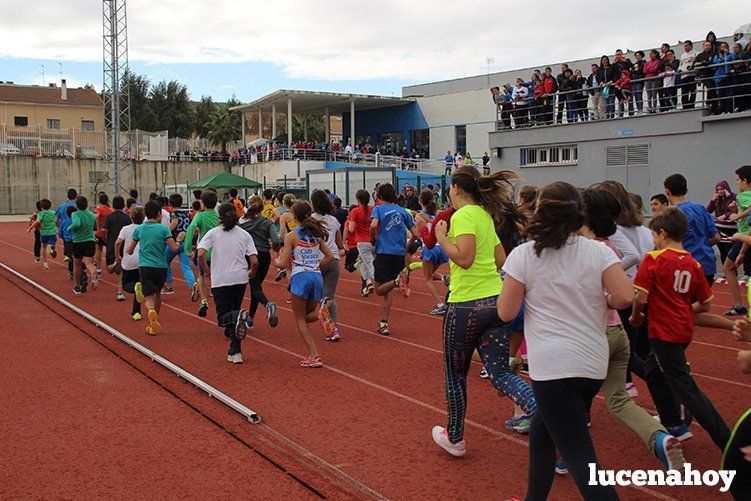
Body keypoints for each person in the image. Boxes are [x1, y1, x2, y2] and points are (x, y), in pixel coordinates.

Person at [498, 181, 632, 500]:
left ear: (540, 212)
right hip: (591, 365)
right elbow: (625, 297)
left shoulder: (525, 255)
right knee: (543, 435)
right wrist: (602, 299)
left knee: (581, 460)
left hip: (553, 369)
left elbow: (506, 312)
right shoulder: (598, 250)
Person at [555, 189, 687, 475]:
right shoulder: (609, 249)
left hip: (591, 336)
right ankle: (658, 436)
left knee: (567, 398)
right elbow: (624, 296)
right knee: (618, 399)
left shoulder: (577, 249)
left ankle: (569, 456)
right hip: (617, 334)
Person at [430, 166, 538, 458]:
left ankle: (455, 438)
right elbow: (501, 258)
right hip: (495, 300)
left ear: (454, 187)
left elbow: (464, 259)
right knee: (500, 371)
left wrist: (441, 237)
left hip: (466, 304)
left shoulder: (463, 215)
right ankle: (542, 412)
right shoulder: (485, 216)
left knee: (455, 375)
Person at [631, 208, 730, 452]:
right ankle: (672, 422)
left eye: (654, 235)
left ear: (662, 233)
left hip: (665, 332)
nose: (652, 240)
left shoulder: (653, 259)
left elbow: (640, 297)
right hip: (683, 329)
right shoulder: (693, 264)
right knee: (653, 371)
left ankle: (727, 440)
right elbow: (705, 304)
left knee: (686, 389)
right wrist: (685, 310)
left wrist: (635, 316)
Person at [274, 201, 335, 367]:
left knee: (299, 318)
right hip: (316, 277)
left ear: (295, 217)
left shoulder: (291, 236)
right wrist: (315, 265)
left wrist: (276, 262)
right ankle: (321, 314)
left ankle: (315, 356)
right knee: (307, 316)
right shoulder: (316, 234)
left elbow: (284, 262)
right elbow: (330, 257)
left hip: (300, 277)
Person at [198, 202, 259, 364]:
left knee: (223, 318)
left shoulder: (213, 233)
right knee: (234, 319)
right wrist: (252, 271)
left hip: (221, 279)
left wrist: (206, 270)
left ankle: (239, 317)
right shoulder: (244, 235)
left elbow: (200, 254)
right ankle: (235, 351)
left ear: (220, 216)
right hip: (240, 279)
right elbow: (254, 260)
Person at [370, 183, 421, 335]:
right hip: (398, 254)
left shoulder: (378, 209)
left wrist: (373, 239)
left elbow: (373, 225)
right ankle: (384, 323)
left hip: (384, 252)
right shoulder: (402, 211)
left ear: (380, 197)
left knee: (379, 290)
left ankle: (398, 281)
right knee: (388, 292)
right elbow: (416, 233)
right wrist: (406, 247)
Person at [127, 201, 183, 336]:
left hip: (145, 266)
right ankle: (153, 321)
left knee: (148, 296)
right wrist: (180, 239)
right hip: (161, 266)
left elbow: (130, 250)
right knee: (157, 293)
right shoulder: (163, 229)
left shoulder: (139, 229)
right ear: (159, 214)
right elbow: (174, 248)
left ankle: (150, 311)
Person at [663, 173, 720, 286]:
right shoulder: (700, 208)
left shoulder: (671, 214)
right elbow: (716, 237)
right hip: (706, 265)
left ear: (667, 191)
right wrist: (701, 243)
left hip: (684, 267)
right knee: (703, 302)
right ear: (686, 190)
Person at [240, 195, 281, 329]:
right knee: (256, 287)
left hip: (249, 256)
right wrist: (275, 248)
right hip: (264, 255)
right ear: (262, 207)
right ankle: (250, 319)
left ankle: (268, 305)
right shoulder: (267, 222)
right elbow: (275, 240)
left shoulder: (241, 222)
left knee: (255, 287)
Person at [311, 189, 344, 342]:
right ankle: (334, 329)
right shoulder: (334, 220)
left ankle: (322, 308)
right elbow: (339, 243)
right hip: (333, 260)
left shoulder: (310, 220)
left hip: (316, 260)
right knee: (330, 296)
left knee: (318, 296)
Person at [412, 190, 450, 315]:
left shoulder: (419, 216)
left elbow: (417, 234)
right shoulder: (438, 214)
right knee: (430, 273)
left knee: (427, 278)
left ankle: (440, 304)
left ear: (420, 201)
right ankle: (444, 278)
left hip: (430, 247)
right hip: (442, 248)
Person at [184, 190, 220, 318]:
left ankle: (204, 300)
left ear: (203, 203)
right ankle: (218, 298)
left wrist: (188, 249)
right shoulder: (218, 215)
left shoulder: (200, 215)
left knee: (202, 275)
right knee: (216, 276)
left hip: (204, 252)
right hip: (217, 252)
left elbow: (191, 228)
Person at [724, 165, 751, 315]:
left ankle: (739, 304)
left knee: (728, 267)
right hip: (745, 235)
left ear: (745, 181)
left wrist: (737, 216)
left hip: (745, 237)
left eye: (738, 180)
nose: (737, 184)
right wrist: (737, 212)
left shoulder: (742, 196)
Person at [114, 205, 145, 321]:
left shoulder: (126, 229)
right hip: (142, 260)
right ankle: (136, 312)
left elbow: (117, 243)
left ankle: (133, 290)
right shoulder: (144, 228)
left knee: (126, 284)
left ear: (131, 217)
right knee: (139, 286)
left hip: (128, 260)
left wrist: (117, 256)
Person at [163, 193, 196, 295]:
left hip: (175, 242)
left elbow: (175, 222)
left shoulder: (174, 214)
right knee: (185, 266)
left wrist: (165, 232)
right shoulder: (187, 214)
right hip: (185, 242)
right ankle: (192, 284)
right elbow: (191, 226)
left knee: (164, 261)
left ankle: (168, 284)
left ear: (170, 203)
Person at [101, 195, 131, 301]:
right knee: (113, 268)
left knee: (119, 269)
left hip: (112, 244)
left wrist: (105, 238)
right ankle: (116, 267)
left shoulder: (109, 217)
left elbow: (103, 230)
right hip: (123, 244)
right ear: (123, 205)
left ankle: (119, 291)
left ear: (113, 205)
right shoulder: (127, 217)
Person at [67, 196, 99, 295]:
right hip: (90, 241)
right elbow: (96, 227)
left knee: (77, 265)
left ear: (76, 205)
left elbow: (76, 224)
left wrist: (69, 229)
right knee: (89, 263)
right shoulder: (91, 215)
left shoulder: (75, 214)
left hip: (78, 242)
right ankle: (94, 276)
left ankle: (77, 286)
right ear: (87, 205)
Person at [349, 189, 375, 296]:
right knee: (362, 262)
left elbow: (351, 228)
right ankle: (368, 282)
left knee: (369, 263)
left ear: (357, 199)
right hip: (374, 241)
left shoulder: (355, 211)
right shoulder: (373, 209)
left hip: (362, 242)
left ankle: (380, 279)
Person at [707, 180, 738, 264]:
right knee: (722, 251)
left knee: (729, 251)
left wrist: (725, 215)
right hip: (719, 229)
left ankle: (731, 271)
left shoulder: (734, 197)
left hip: (730, 229)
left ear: (726, 189)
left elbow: (736, 210)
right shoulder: (718, 200)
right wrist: (712, 200)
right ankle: (726, 271)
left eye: (722, 189)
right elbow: (708, 211)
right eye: (718, 190)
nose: (720, 191)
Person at [55, 188, 77, 279]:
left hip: (65, 231)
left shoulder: (62, 206)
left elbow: (56, 220)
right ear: (75, 196)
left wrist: (59, 227)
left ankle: (71, 271)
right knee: (76, 252)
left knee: (68, 248)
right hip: (77, 231)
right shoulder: (78, 206)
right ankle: (76, 268)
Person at [28, 199, 57, 270]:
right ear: (50, 206)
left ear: (42, 207)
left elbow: (37, 221)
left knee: (44, 247)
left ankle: (45, 263)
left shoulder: (41, 214)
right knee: (50, 245)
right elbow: (57, 220)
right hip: (52, 233)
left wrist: (30, 227)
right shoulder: (53, 212)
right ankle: (50, 250)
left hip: (44, 233)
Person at [93, 193, 114, 276]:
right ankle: (112, 265)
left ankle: (98, 268)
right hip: (109, 233)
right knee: (110, 250)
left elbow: (96, 216)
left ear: (99, 201)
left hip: (100, 233)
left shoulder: (98, 209)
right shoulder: (111, 210)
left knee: (98, 250)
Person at [678, 40, 698, 109]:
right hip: (684, 75)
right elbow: (680, 64)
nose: (685, 47)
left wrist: (692, 67)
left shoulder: (696, 53)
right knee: (684, 92)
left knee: (692, 91)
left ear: (691, 46)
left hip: (692, 75)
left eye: (687, 45)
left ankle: (691, 105)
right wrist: (679, 69)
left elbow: (697, 62)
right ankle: (685, 106)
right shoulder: (683, 55)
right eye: (684, 46)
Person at [644, 49, 662, 113]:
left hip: (655, 79)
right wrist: (651, 69)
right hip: (647, 79)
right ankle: (650, 108)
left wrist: (651, 69)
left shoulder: (658, 61)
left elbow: (656, 69)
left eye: (651, 54)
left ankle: (654, 108)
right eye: (649, 54)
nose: (650, 55)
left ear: (655, 54)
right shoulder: (647, 63)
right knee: (649, 95)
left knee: (654, 94)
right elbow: (644, 70)